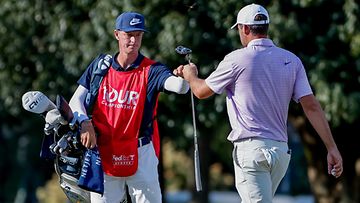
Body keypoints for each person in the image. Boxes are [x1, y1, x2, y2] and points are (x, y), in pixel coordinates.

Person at [174, 3, 343, 203]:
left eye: (238, 29)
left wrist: (190, 75)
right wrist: (332, 148)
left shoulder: (235, 59)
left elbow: (201, 92)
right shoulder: (292, 60)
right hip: (280, 153)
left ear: (244, 29)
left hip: (252, 152)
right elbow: (312, 106)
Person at [69, 11, 189, 203]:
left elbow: (178, 87)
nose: (133, 40)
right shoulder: (101, 66)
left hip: (142, 153)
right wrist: (84, 122)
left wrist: (185, 75)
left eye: (138, 35)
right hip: (104, 151)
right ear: (117, 34)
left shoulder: (152, 70)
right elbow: (76, 101)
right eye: (128, 35)